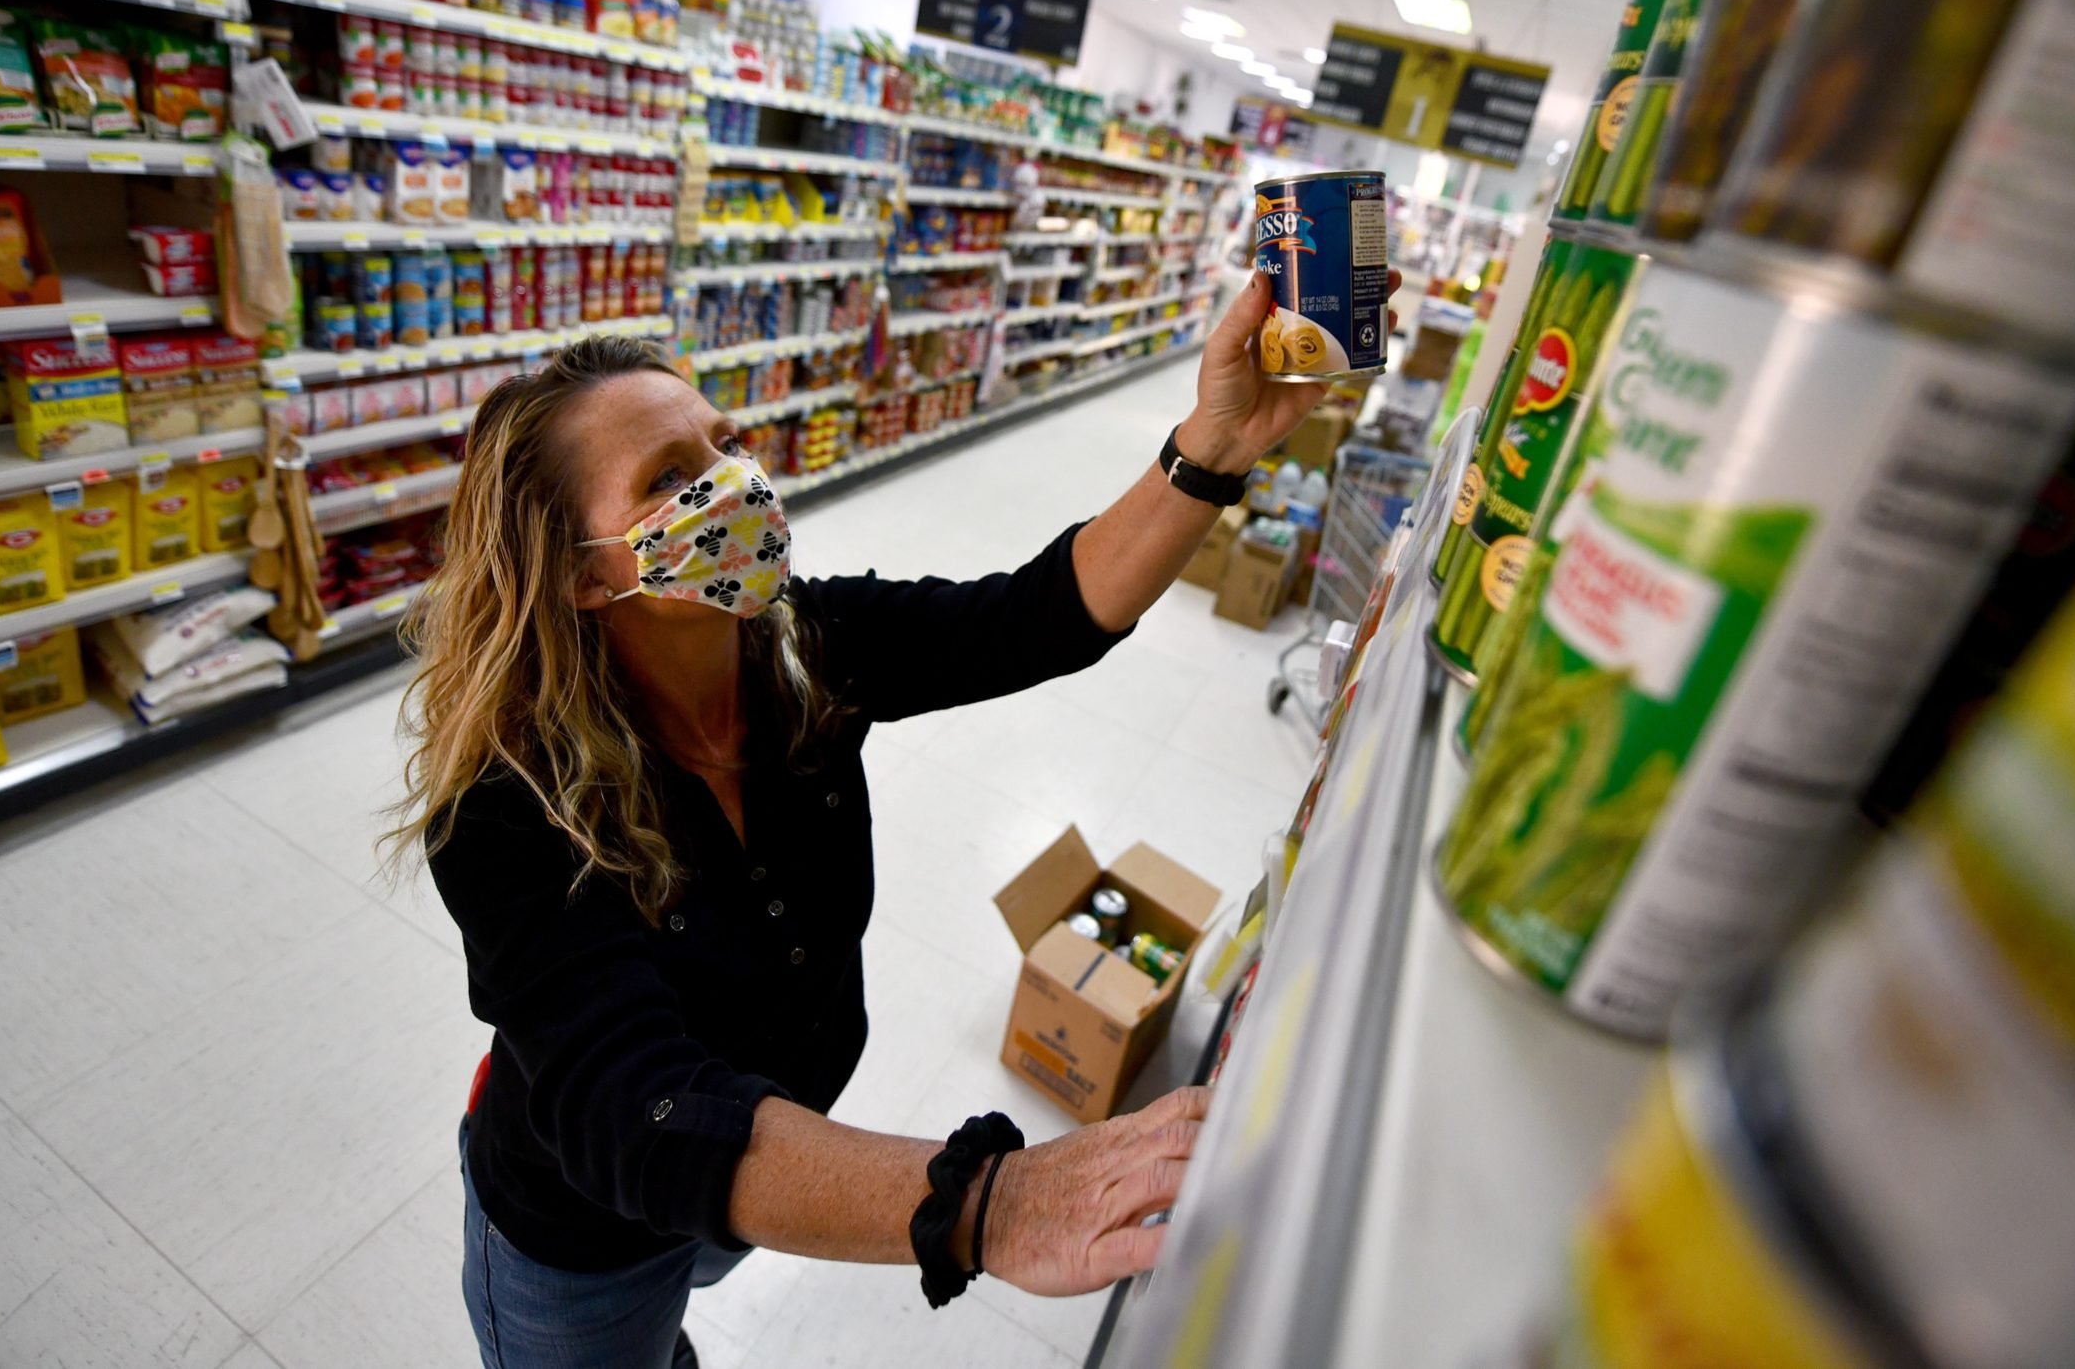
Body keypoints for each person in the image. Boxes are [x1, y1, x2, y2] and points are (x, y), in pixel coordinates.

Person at [386, 270, 1355, 1368]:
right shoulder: (509, 807)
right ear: (576, 577)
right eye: (670, 478)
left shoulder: (806, 647)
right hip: (581, 1235)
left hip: (757, 1173)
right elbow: (635, 1110)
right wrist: (988, 1202)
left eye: (724, 443)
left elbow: (1034, 617)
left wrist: (1213, 446)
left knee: (687, 1289)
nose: (736, 484)